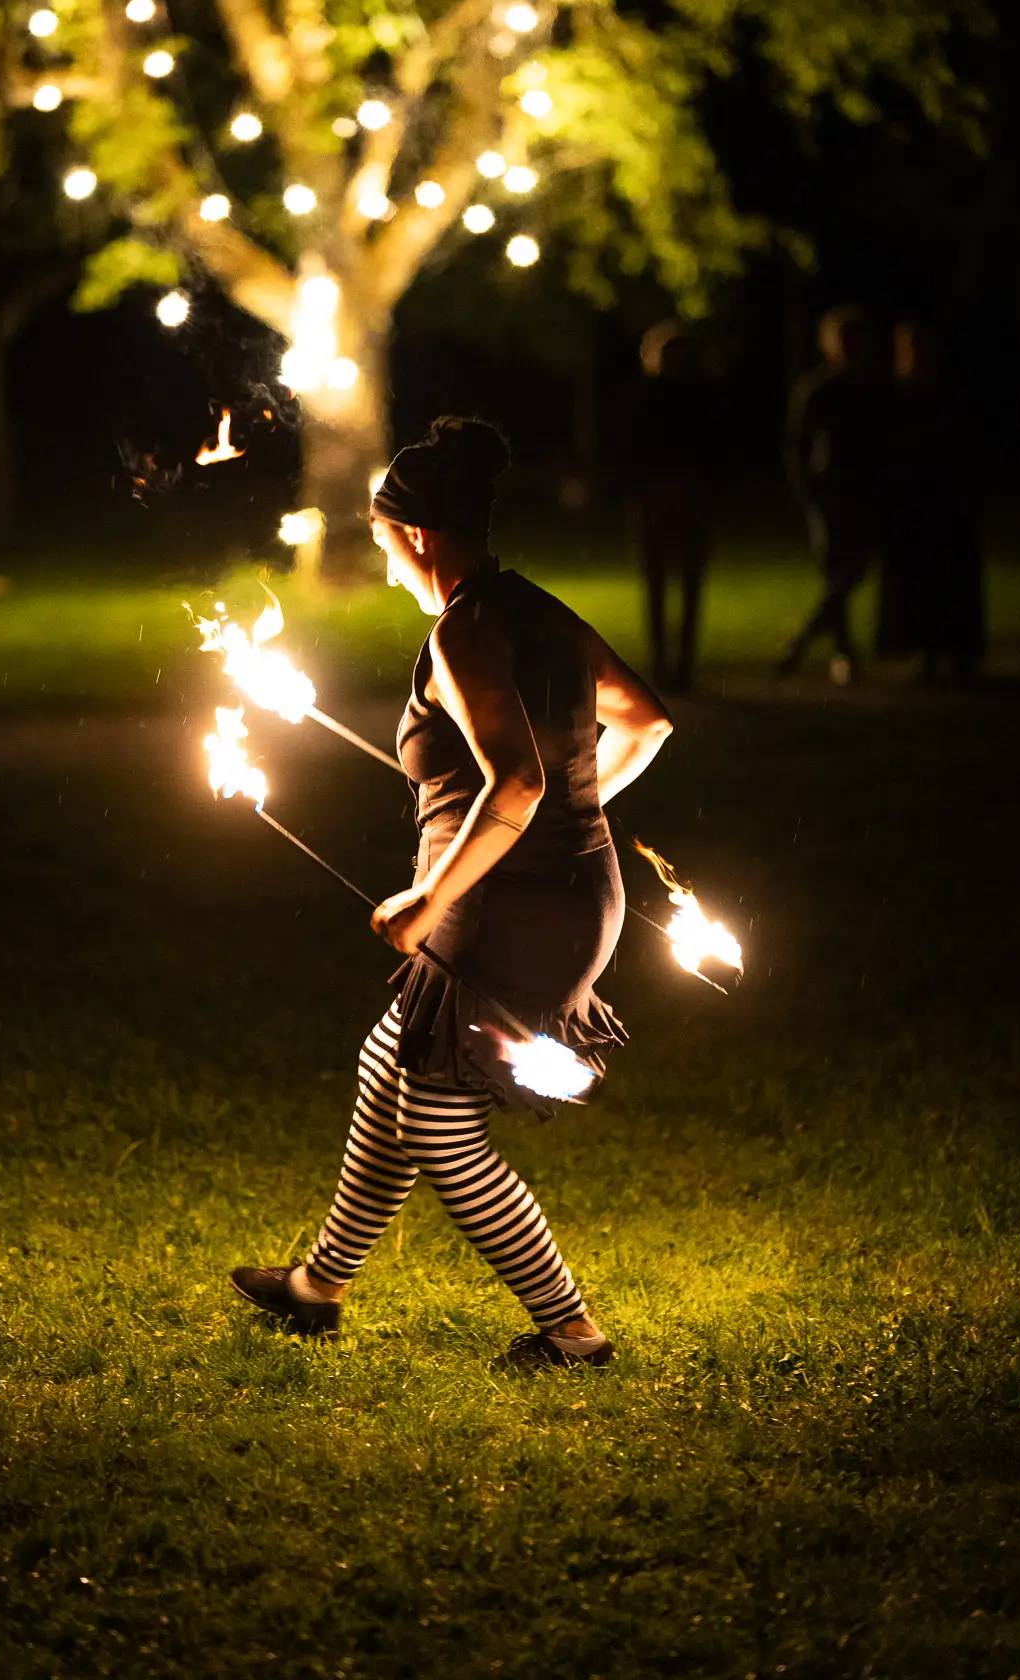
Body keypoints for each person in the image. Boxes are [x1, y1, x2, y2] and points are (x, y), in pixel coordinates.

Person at [231, 418, 673, 1369]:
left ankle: (573, 1334)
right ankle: (317, 1287)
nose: (387, 565)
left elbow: (517, 783)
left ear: (419, 536)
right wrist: (571, 816)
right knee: (389, 1064)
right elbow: (648, 723)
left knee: (438, 1127)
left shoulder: (465, 630)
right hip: (568, 891)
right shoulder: (538, 610)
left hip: (506, 914)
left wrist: (429, 897)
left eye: (387, 544)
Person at [778, 305, 886, 683]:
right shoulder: (819, 388)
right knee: (839, 568)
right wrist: (806, 489)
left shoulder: (872, 387)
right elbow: (796, 443)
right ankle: (842, 649)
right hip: (831, 490)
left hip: (864, 489)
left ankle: (808, 638)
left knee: (850, 571)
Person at [876, 320, 985, 682]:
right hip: (913, 503)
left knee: (952, 578)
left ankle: (956, 649)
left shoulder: (949, 394)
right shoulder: (898, 396)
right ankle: (924, 649)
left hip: (949, 502)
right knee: (917, 580)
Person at [623, 323, 718, 692]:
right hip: (661, 497)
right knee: (663, 581)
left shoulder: (685, 397)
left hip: (680, 496)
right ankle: (667, 663)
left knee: (678, 581)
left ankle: (677, 663)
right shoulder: (659, 397)